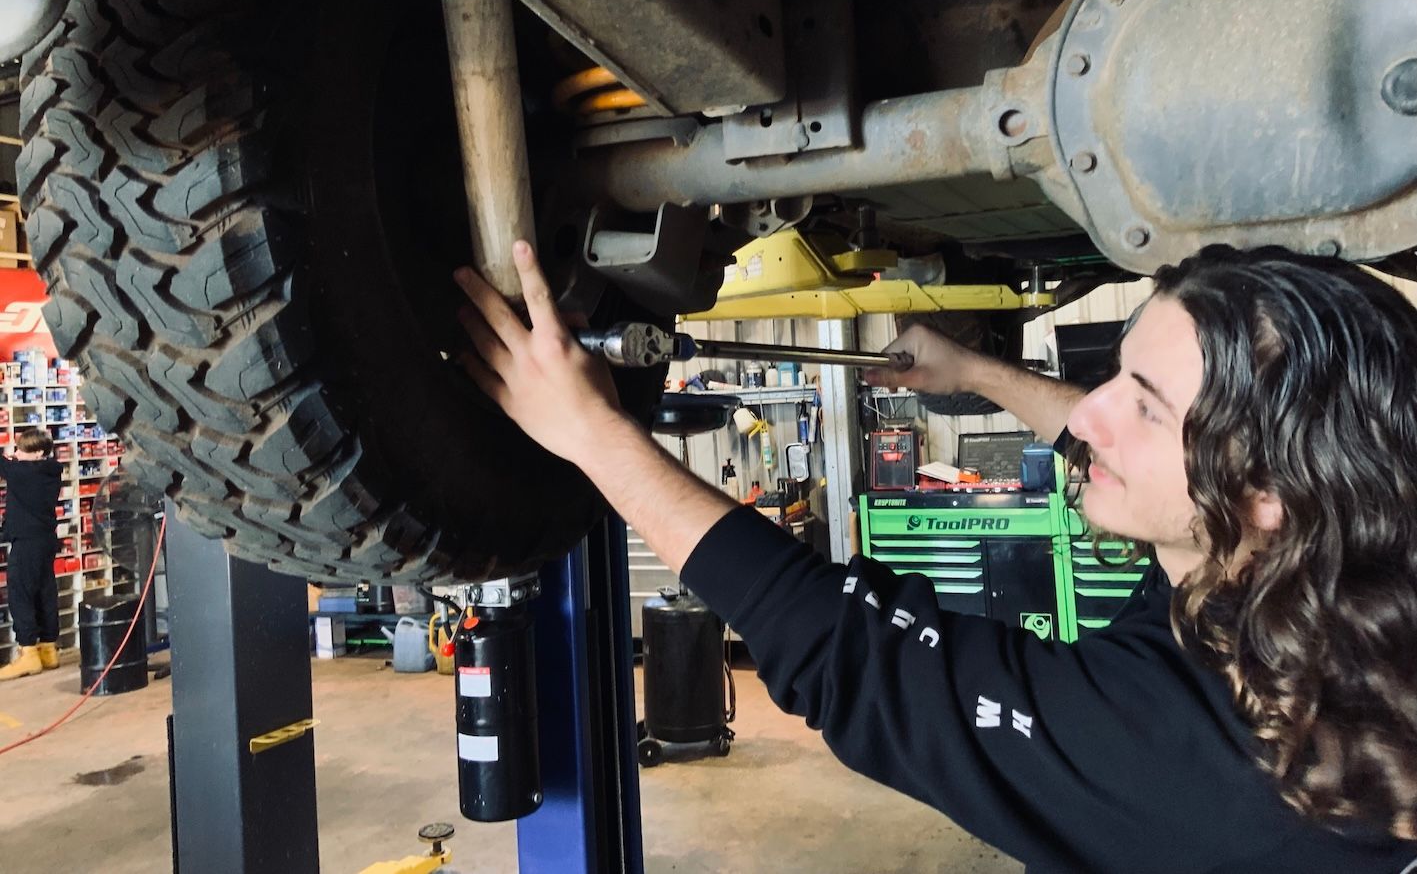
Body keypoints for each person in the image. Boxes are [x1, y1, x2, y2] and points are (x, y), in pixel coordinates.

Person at [453, 240, 1417, 873]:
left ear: (1265, 499)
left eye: (1146, 404)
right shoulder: (1323, 574)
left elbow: (854, 658)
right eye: (1118, 373)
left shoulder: (1220, 765)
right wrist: (974, 373)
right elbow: (1112, 453)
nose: (1088, 414)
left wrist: (591, 434)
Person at [0, 429, 65, 681]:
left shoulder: (25, 474)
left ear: (38, 453)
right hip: (45, 539)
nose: (16, 454)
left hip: (27, 542)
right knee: (45, 590)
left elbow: (4, 466)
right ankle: (48, 648)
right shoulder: (50, 471)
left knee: (20, 593)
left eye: (21, 450)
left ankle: (28, 653)